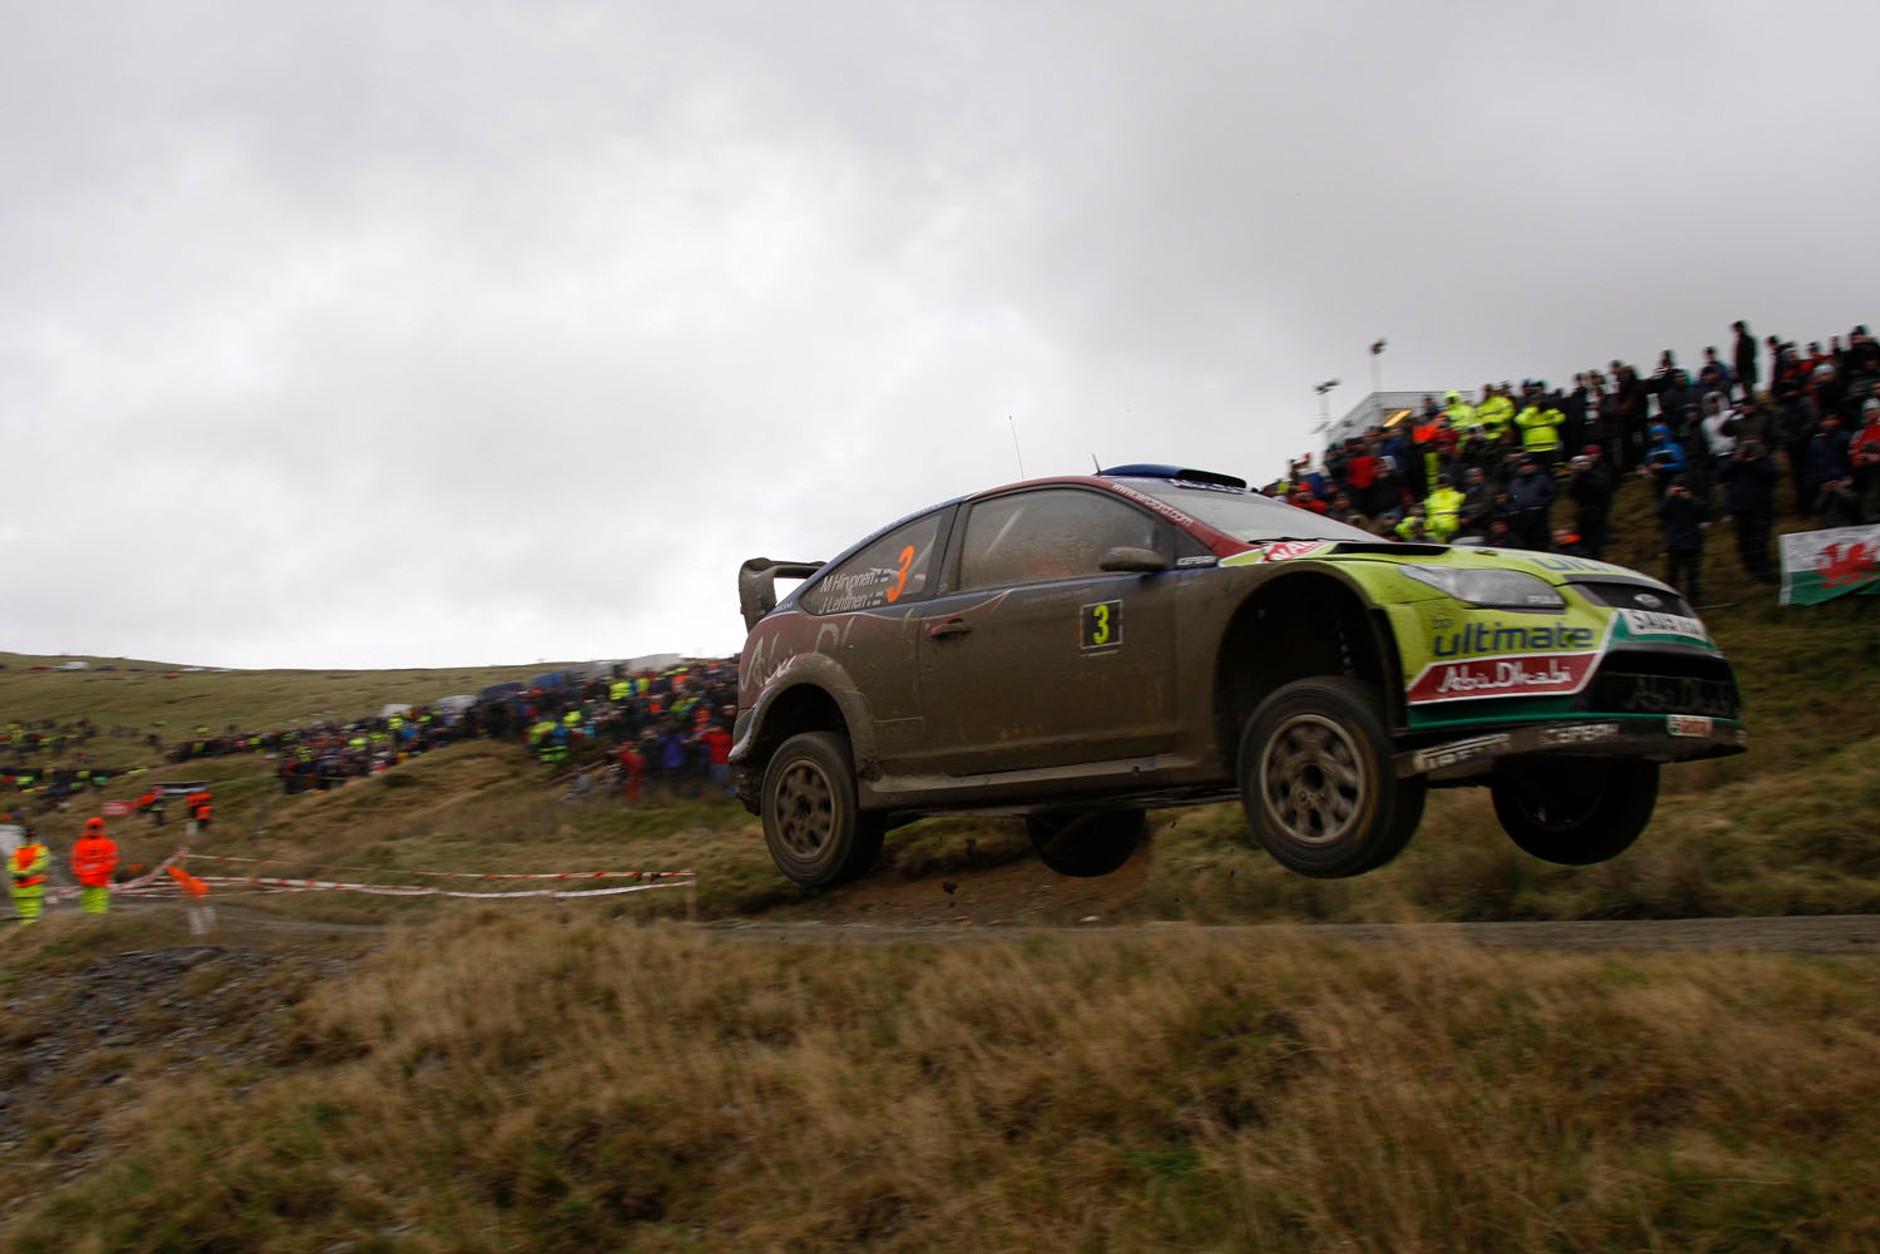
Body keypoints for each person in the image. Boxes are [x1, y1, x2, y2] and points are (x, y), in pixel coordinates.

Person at [1718, 439, 1779, 585]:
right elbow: (1722, 476)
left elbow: (1771, 476)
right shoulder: (1735, 464)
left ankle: (1764, 575)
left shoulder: (1765, 461)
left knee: (1760, 543)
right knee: (1745, 543)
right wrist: (1736, 461)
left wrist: (1753, 463)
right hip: (1741, 508)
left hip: (1760, 508)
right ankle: (1750, 572)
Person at [1657, 477, 1708, 605]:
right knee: (1672, 575)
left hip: (1692, 543)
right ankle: (1671, 601)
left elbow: (1702, 512)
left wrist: (1689, 499)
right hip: (1675, 543)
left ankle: (1694, 602)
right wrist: (1669, 497)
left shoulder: (1696, 500)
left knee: (1693, 576)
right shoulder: (1670, 502)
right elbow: (1661, 513)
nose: (1680, 491)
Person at [71, 816, 119, 916]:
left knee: (99, 907)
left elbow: (112, 861)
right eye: (92, 827)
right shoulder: (80, 844)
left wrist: (101, 873)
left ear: (101, 828)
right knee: (87, 906)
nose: (94, 829)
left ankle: (98, 926)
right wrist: (80, 874)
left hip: (100, 882)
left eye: (97, 827)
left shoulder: (108, 843)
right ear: (87, 828)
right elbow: (75, 861)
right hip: (86, 882)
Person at [9, 830, 51, 925]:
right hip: (19, 889)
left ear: (35, 837)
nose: (29, 838)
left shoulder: (41, 849)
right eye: (27, 836)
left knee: (32, 916)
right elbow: (10, 864)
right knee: (23, 917)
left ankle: (32, 933)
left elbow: (41, 863)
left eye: (31, 836)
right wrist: (16, 873)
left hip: (33, 887)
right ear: (24, 837)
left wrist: (26, 872)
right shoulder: (18, 850)